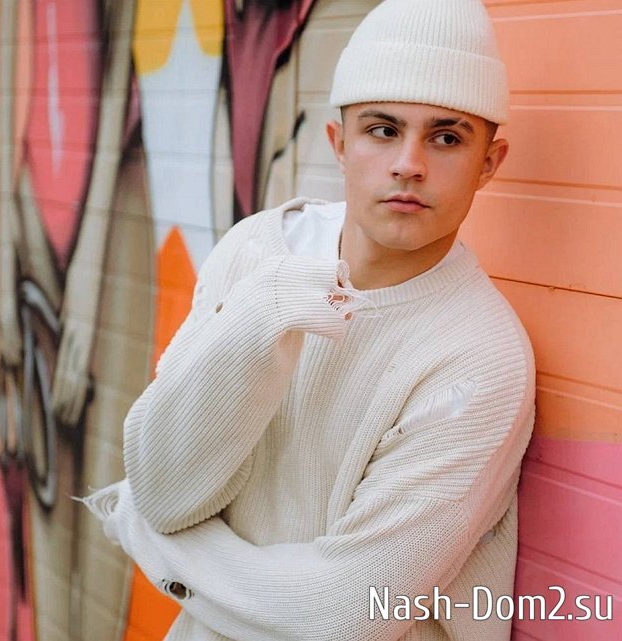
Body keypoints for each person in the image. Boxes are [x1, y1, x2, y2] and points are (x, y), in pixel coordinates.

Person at [82, 1, 536, 639]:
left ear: (489, 162)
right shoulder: (257, 251)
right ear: (339, 143)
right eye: (383, 129)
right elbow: (164, 488)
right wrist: (263, 313)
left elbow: (346, 613)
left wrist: (156, 546)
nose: (409, 163)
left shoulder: (478, 357)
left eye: (446, 137)